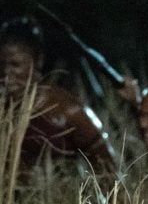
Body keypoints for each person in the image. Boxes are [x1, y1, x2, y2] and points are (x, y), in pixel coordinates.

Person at [0, 15, 116, 177]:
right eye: (1, 65)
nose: (6, 73)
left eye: (15, 64)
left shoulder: (67, 110)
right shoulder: (4, 111)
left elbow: (108, 170)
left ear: (38, 61)